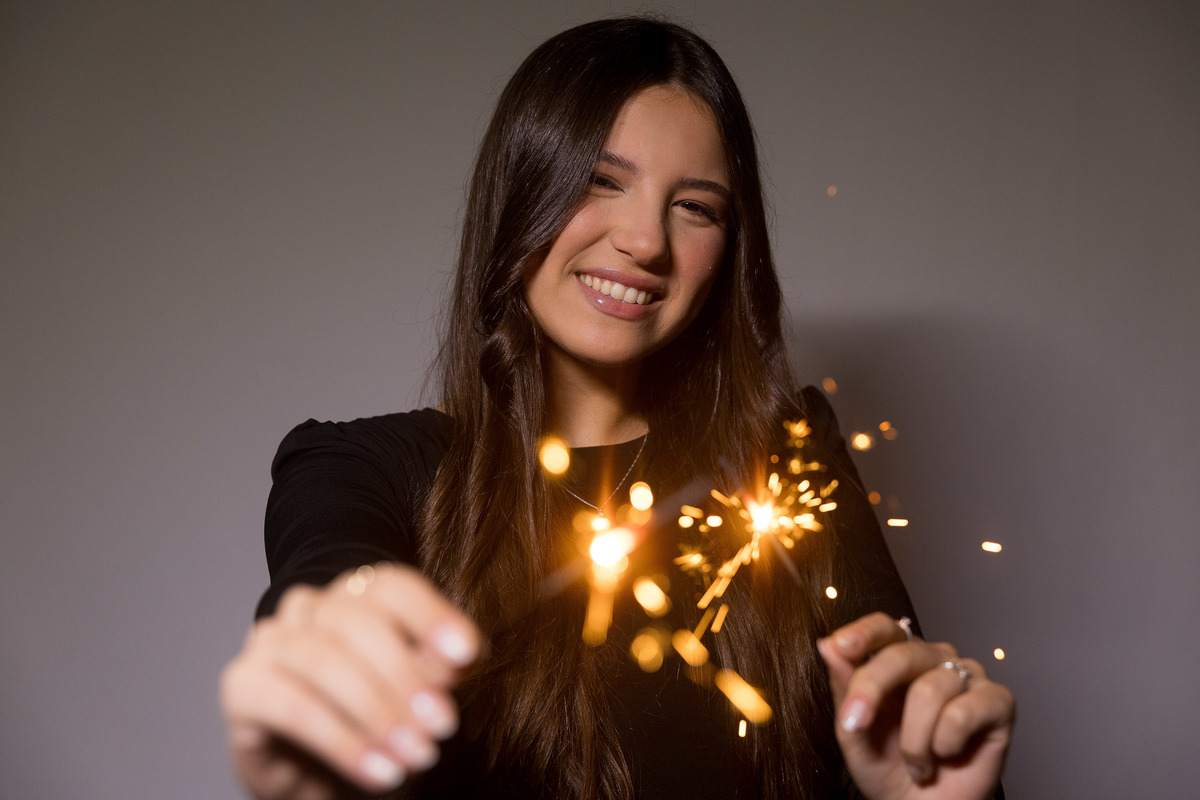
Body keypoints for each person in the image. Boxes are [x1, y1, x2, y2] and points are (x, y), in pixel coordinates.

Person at [219, 16, 1014, 800]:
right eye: (601, 181)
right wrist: (338, 652)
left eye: (695, 207)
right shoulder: (361, 469)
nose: (645, 240)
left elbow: (898, 724)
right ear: (522, 190)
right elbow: (333, 581)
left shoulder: (789, 461)